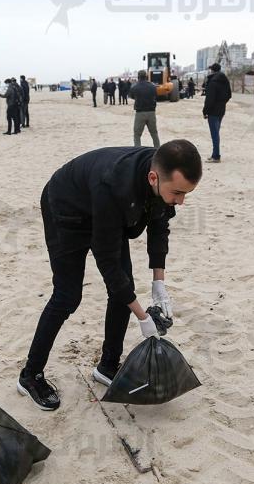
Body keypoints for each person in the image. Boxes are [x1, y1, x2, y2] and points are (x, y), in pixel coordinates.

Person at [16, 140, 202, 410]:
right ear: (153, 178)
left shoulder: (160, 175)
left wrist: (158, 283)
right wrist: (143, 317)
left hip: (106, 212)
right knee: (67, 296)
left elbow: (159, 230)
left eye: (186, 194)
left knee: (122, 293)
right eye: (177, 193)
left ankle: (107, 366)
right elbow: (108, 262)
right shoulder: (113, 185)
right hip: (67, 207)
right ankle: (30, 375)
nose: (181, 201)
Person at [202, 62, 232, 164]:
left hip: (213, 112)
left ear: (212, 70)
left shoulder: (212, 82)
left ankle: (216, 156)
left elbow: (209, 99)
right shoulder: (225, 81)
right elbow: (229, 95)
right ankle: (214, 154)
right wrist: (222, 103)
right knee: (216, 133)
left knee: (214, 134)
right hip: (221, 111)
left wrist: (205, 111)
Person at [129, 70, 160, 148]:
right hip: (151, 113)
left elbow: (132, 96)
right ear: (146, 76)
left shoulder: (135, 87)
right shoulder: (153, 86)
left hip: (140, 113)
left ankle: (137, 151)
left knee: (137, 135)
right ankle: (158, 150)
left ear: (138, 77)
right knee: (154, 133)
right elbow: (156, 95)